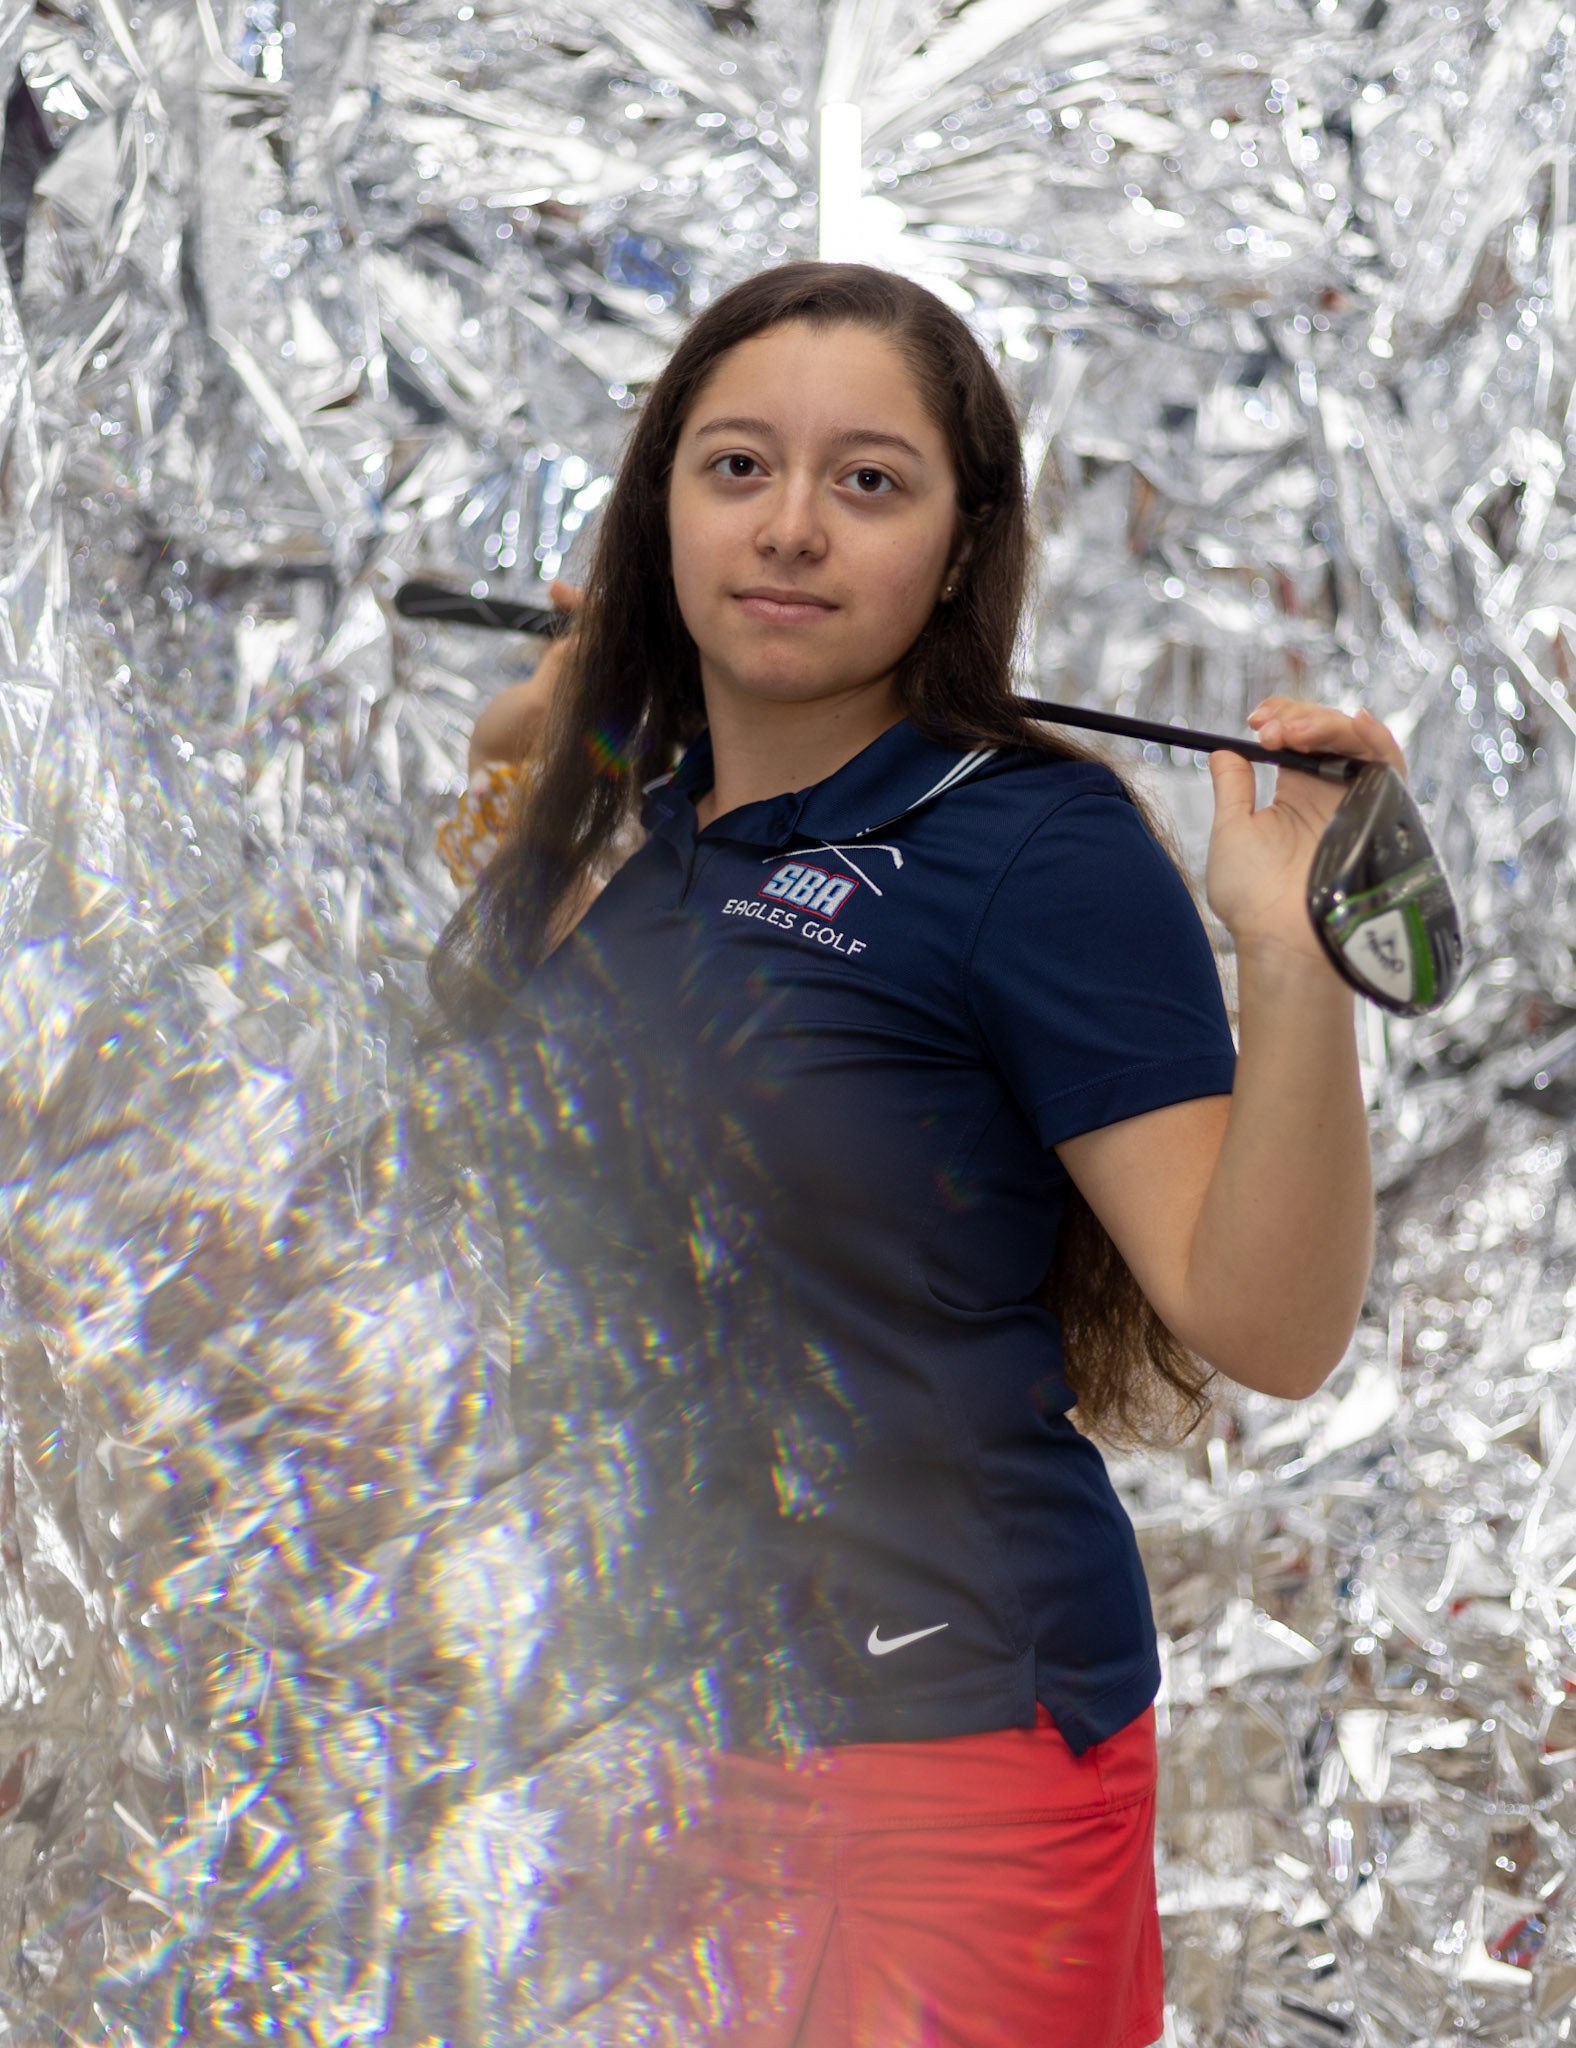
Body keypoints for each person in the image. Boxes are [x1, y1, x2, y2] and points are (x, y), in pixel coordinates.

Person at [427, 263, 1396, 2048]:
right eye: (736, 470)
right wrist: (565, 727)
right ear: (659, 513)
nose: (791, 529)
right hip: (619, 1758)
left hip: (936, 1770)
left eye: (869, 482)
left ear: (961, 549)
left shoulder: (1033, 850)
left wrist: (1287, 952)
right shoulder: (630, 825)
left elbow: (1269, 1325)